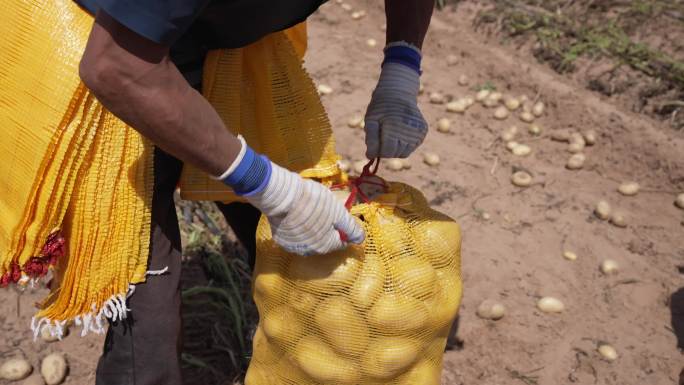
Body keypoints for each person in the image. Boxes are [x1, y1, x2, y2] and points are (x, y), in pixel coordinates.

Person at [75, 0, 433, 383]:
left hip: (228, 40)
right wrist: (268, 186)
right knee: (145, 293)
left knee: (313, 251)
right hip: (115, 48)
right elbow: (114, 67)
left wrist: (402, 62)